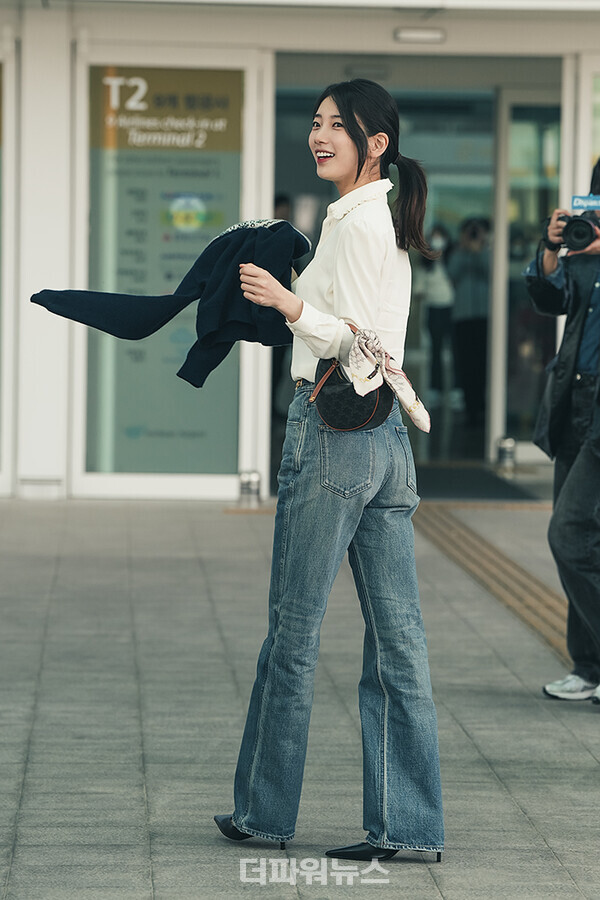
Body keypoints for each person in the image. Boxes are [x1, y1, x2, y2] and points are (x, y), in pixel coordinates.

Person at [213, 78, 444, 862]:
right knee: (398, 641)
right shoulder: (372, 217)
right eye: (315, 124)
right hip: (386, 444)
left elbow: (360, 339)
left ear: (374, 143)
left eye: (335, 127)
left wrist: (287, 303)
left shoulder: (359, 221)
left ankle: (264, 814)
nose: (319, 136)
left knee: (294, 632)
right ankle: (408, 829)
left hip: (333, 428)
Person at [524, 159, 600, 704]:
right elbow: (549, 300)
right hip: (574, 399)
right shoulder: (583, 248)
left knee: (570, 533)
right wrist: (553, 250)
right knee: (578, 538)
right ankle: (589, 667)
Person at [447, 217, 491, 427]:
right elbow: (452, 273)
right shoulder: (458, 253)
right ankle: (470, 408)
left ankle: (484, 407)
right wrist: (465, 248)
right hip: (463, 317)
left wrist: (480, 249)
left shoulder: (489, 252)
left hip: (485, 316)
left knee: (484, 364)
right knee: (466, 364)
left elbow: (490, 271)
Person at [420, 223, 456, 405]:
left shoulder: (452, 260)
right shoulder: (426, 263)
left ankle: (456, 389)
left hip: (451, 308)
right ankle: (436, 388)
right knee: (436, 349)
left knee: (455, 349)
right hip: (433, 307)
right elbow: (419, 289)